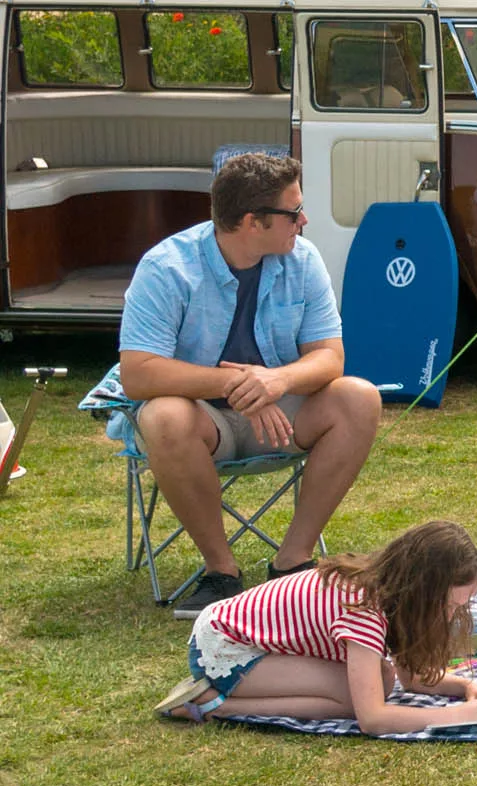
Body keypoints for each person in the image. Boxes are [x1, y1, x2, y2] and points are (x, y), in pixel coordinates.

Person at [89, 151, 383, 615]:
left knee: (360, 397)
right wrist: (237, 385)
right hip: (202, 422)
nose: (303, 220)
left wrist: (276, 380)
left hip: (281, 415)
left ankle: (292, 564)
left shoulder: (302, 260)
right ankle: (220, 573)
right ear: (252, 222)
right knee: (162, 414)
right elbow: (139, 372)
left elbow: (330, 358)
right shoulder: (166, 268)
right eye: (293, 212)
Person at [157, 518, 477, 733]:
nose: (453, 617)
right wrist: (454, 716)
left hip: (234, 633)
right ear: (421, 592)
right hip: (225, 647)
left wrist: (467, 687)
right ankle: (214, 705)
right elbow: (371, 718)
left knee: (383, 679)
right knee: (354, 698)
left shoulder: (391, 593)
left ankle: (218, 700)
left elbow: (412, 678)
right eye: (449, 606)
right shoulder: (365, 608)